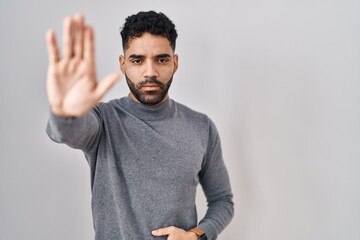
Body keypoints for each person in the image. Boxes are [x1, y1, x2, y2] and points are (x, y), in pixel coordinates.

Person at [45, 11, 234, 240]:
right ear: (123, 64)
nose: (150, 72)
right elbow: (66, 132)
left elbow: (222, 201)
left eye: (161, 59)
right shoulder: (104, 119)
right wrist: (65, 112)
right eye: (137, 60)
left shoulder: (201, 127)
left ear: (175, 63)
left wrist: (196, 235)